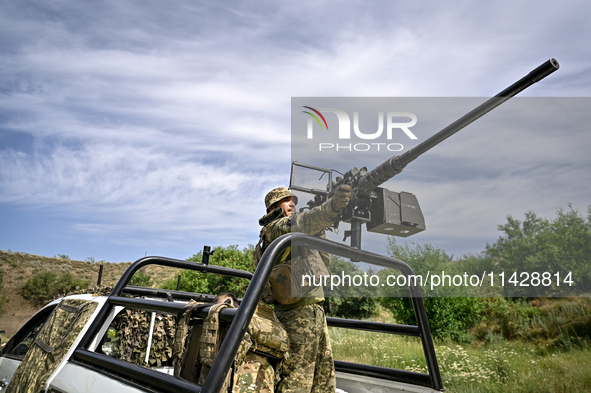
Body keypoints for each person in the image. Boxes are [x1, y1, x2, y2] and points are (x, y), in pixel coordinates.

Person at [255, 185, 351, 393]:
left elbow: (323, 259)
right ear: (272, 209)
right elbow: (304, 221)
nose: (292, 204)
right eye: (285, 200)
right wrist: (332, 206)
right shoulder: (275, 228)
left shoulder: (296, 233)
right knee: (296, 383)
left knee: (323, 382)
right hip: (294, 316)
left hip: (313, 313)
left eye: (294, 201)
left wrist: (320, 227)